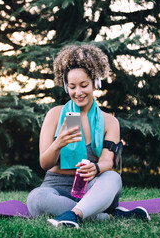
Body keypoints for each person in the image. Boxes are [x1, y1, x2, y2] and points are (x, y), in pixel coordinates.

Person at [26, 44, 150, 228]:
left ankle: (74, 214)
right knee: (36, 198)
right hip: (55, 187)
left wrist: (97, 168)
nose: (78, 92)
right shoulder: (55, 114)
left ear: (95, 82)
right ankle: (106, 216)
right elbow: (44, 163)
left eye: (84, 85)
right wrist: (58, 144)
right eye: (72, 87)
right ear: (66, 87)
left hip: (93, 187)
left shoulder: (109, 122)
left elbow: (108, 161)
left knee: (113, 178)